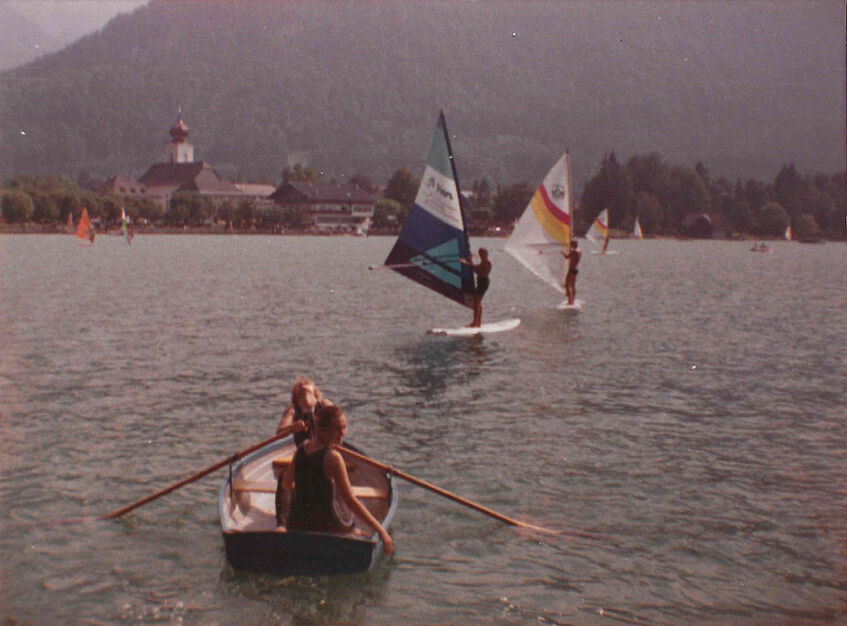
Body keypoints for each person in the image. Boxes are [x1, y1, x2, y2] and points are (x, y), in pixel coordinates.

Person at [277, 404, 393, 555]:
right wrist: (381, 530)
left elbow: (286, 483)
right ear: (323, 430)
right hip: (327, 529)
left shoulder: (301, 449)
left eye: (344, 428)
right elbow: (350, 501)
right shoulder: (333, 457)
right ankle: (353, 531)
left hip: (297, 526)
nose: (343, 433)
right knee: (348, 511)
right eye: (337, 429)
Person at [276, 376, 325, 446]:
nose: (305, 398)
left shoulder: (324, 405)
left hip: (324, 446)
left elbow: (339, 420)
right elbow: (280, 432)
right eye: (301, 395)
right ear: (297, 400)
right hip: (304, 450)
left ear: (315, 397)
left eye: (309, 394)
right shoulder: (292, 411)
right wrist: (292, 427)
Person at [460, 247, 491, 327]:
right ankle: (477, 323)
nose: (481, 255)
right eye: (480, 253)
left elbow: (478, 270)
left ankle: (475, 323)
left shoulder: (488, 263)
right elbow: (475, 268)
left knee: (477, 303)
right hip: (480, 283)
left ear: (486, 254)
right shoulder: (482, 262)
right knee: (477, 303)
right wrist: (469, 261)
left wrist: (466, 263)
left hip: (483, 283)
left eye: (482, 253)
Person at [560, 239, 582, 305]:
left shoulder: (574, 251)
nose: (571, 246)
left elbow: (566, 257)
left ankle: (570, 300)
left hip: (571, 270)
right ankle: (572, 299)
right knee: (572, 285)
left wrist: (562, 252)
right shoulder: (579, 250)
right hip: (575, 269)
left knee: (567, 285)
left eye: (572, 244)